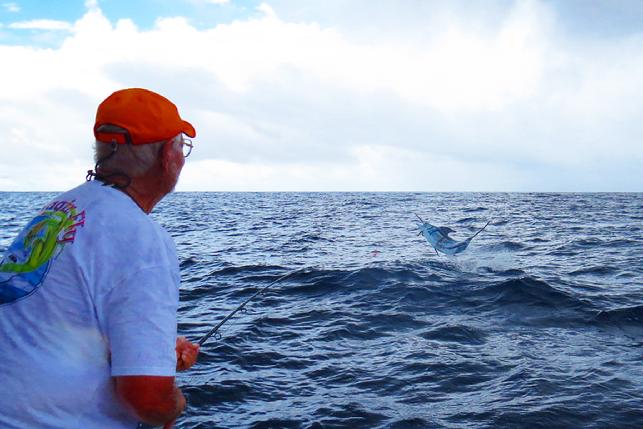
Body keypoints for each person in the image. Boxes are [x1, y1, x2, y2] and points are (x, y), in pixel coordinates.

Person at [0, 88, 200, 428]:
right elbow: (148, 399)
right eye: (183, 146)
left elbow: (51, 322)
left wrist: (155, 350)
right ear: (169, 154)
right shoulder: (141, 239)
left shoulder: (60, 209)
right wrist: (174, 403)